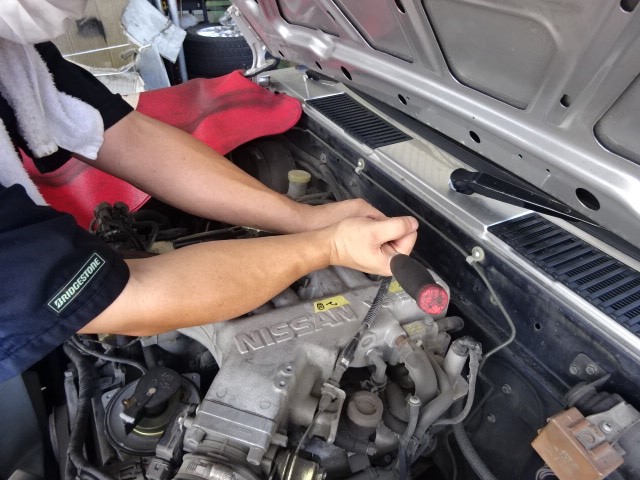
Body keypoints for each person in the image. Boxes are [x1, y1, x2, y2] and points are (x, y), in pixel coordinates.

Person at [0, 1, 418, 382]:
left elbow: (128, 139)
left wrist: (304, 218)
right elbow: (129, 298)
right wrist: (329, 246)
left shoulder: (13, 50)